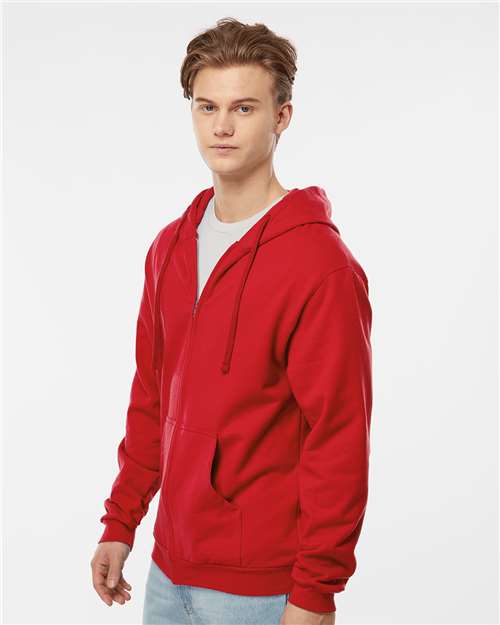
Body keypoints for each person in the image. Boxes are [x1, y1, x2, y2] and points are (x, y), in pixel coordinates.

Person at [90, 16, 373, 625]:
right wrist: (121, 521)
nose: (221, 126)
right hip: (168, 573)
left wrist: (315, 592)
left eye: (244, 108)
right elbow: (151, 396)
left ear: (282, 116)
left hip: (265, 590)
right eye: (207, 106)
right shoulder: (170, 248)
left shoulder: (320, 265)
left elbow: (339, 437)